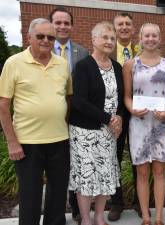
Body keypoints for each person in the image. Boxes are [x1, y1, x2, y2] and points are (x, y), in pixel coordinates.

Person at [0, 18, 71, 225]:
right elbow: (3, 106)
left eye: (50, 37)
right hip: (27, 142)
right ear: (29, 37)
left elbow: (68, 97)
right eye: (40, 36)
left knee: (58, 194)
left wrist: (60, 122)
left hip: (59, 139)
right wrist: (12, 142)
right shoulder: (14, 63)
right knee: (30, 196)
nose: (46, 40)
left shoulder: (63, 64)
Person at [68, 21, 124, 225]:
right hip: (85, 132)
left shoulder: (117, 67)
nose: (109, 41)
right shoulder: (83, 66)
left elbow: (120, 98)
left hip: (108, 133)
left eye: (112, 38)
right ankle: (85, 219)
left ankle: (99, 216)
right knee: (87, 176)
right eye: (105, 37)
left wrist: (119, 118)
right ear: (94, 40)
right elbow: (78, 101)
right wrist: (109, 118)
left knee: (105, 174)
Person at [122, 23, 165, 225]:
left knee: (160, 171)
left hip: (162, 124)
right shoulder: (130, 65)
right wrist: (131, 109)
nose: (151, 39)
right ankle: (146, 216)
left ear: (160, 38)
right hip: (139, 124)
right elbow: (127, 97)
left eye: (155, 35)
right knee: (142, 172)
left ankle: (160, 216)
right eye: (147, 35)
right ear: (141, 38)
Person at [49, 7, 89, 221]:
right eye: (58, 22)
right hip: (50, 118)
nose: (63, 26)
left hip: (75, 117)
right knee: (56, 164)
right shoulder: (42, 48)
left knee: (75, 162)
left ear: (72, 26)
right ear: (51, 24)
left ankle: (74, 206)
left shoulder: (82, 52)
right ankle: (55, 208)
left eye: (66, 23)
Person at [109, 12, 142, 221]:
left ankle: (141, 201)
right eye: (119, 24)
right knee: (115, 159)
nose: (123, 27)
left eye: (127, 24)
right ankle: (117, 202)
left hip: (141, 113)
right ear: (114, 28)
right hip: (115, 115)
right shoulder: (107, 51)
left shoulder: (142, 51)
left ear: (133, 28)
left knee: (139, 158)